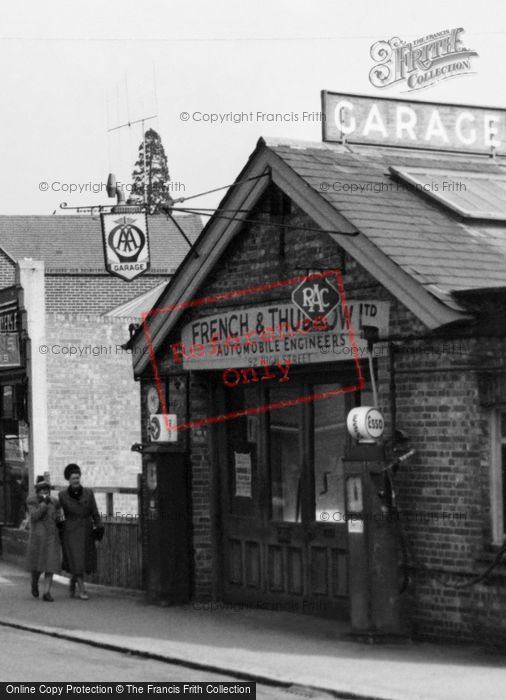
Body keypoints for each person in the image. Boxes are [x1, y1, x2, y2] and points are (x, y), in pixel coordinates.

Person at [58, 463, 104, 600]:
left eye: (78, 478)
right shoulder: (62, 495)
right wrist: (59, 530)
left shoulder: (89, 493)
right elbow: (60, 515)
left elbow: (95, 512)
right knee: (76, 560)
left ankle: (73, 581)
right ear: (68, 480)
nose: (76, 481)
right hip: (70, 531)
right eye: (73, 478)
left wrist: (99, 528)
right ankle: (82, 590)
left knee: (82, 562)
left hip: (86, 530)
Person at [26, 476, 62, 601]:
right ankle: (34, 582)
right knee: (37, 566)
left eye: (46, 490)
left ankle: (47, 592)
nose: (45, 493)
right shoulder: (32, 501)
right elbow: (35, 516)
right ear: (38, 492)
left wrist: (59, 520)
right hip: (38, 538)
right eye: (42, 490)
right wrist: (44, 504)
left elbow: (58, 516)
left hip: (52, 536)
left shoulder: (55, 501)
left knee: (50, 565)